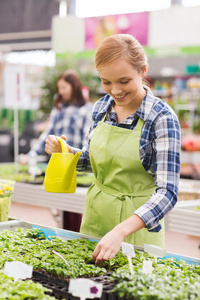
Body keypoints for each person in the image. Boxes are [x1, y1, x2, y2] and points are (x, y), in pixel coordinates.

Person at [45, 34, 181, 263]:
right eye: (106, 82)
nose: (115, 90)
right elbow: (93, 161)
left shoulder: (162, 118)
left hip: (136, 230)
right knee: (89, 289)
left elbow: (168, 192)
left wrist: (121, 231)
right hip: (96, 219)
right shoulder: (101, 108)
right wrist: (67, 152)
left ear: (143, 71)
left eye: (124, 81)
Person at [21, 69, 93, 232]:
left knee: (76, 209)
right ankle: (66, 237)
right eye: (59, 88)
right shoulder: (58, 109)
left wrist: (84, 158)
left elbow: (86, 139)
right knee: (63, 207)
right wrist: (31, 155)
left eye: (64, 87)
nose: (60, 92)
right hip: (58, 165)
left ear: (74, 86)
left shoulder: (86, 109)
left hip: (76, 165)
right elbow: (47, 135)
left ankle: (74, 237)